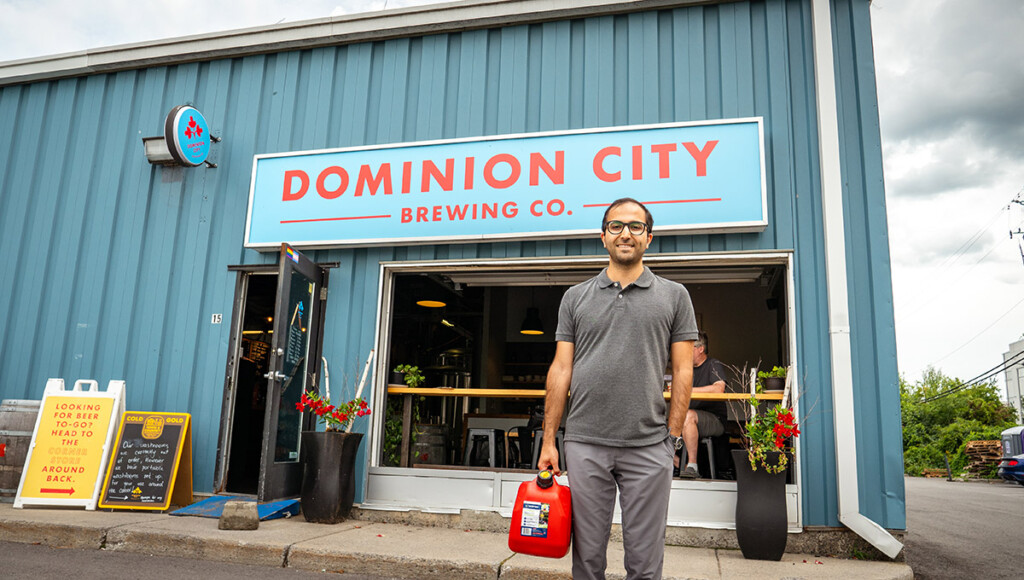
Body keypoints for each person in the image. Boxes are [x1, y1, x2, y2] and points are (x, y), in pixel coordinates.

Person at [538, 197, 698, 580]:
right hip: (585, 442)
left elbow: (683, 370)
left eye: (635, 226)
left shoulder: (675, 296)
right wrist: (549, 440)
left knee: (645, 562)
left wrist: (672, 438)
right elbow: (561, 369)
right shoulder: (575, 297)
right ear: (603, 236)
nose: (625, 233)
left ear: (649, 237)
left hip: (648, 445)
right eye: (616, 226)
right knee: (588, 560)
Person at [676, 332, 727, 479]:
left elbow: (719, 389)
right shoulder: (687, 370)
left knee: (688, 416)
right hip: (689, 418)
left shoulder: (713, 364)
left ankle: (692, 466)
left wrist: (687, 390)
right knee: (657, 426)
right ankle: (679, 464)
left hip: (714, 419)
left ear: (700, 349)